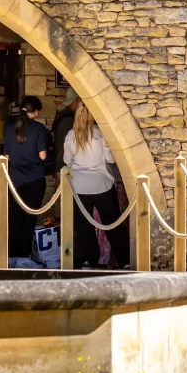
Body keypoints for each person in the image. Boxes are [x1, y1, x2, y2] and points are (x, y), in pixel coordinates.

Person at [58, 101, 118, 269]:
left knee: (84, 226)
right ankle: (124, 259)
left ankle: (89, 261)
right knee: (112, 223)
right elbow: (111, 160)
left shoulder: (71, 136)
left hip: (80, 187)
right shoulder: (101, 135)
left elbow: (66, 161)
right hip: (102, 184)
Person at [1, 96, 50, 264]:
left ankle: (12, 255)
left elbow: (6, 155)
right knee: (29, 217)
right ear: (35, 112)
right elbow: (42, 156)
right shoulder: (39, 129)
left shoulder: (9, 129)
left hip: (15, 179)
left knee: (15, 217)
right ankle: (23, 256)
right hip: (34, 179)